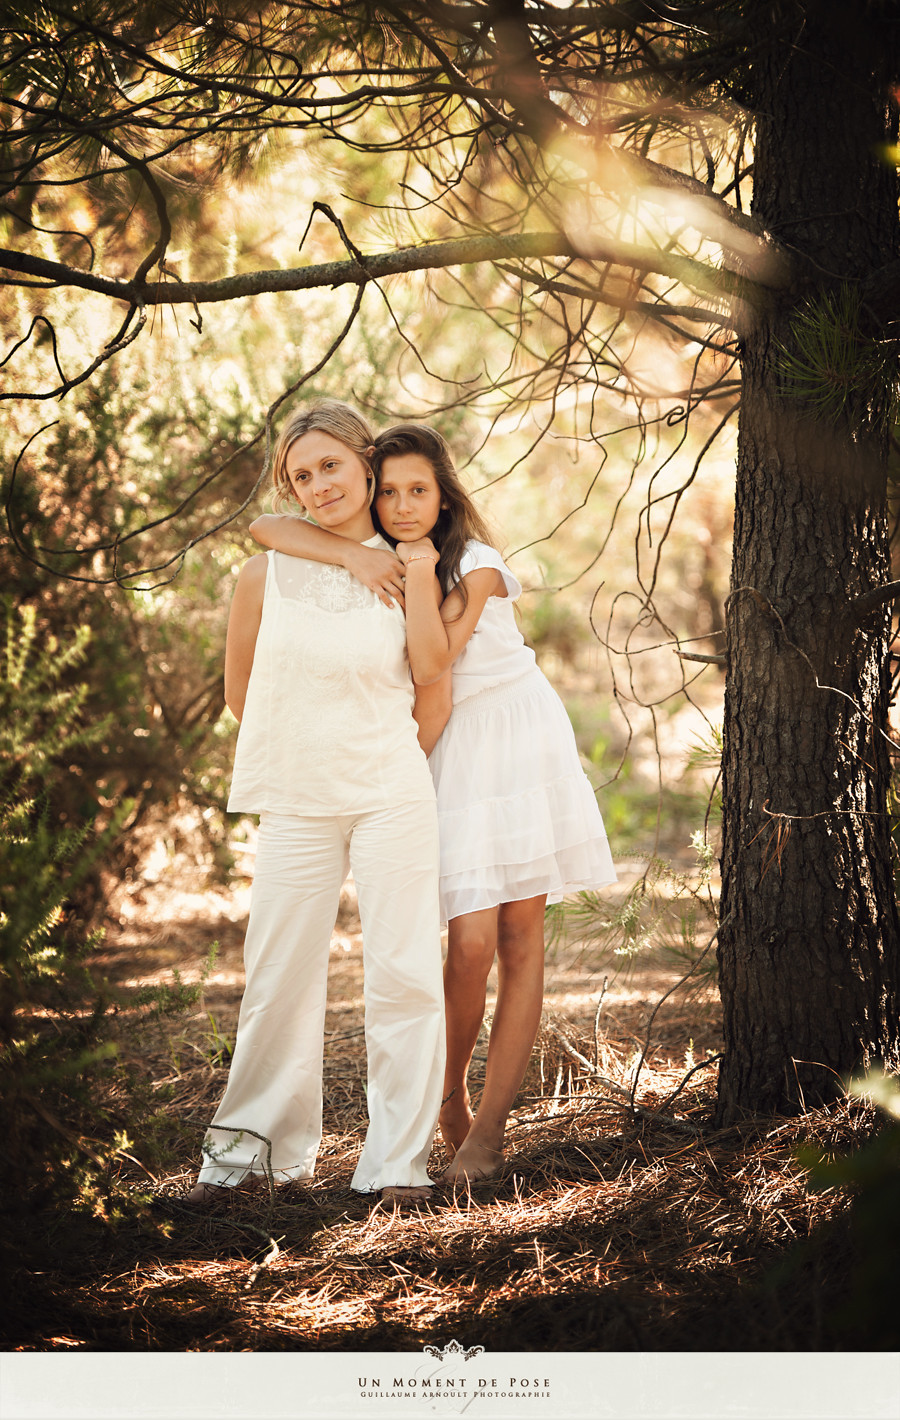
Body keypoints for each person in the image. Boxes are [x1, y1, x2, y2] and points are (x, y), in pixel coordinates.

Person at [251, 423, 617, 1185]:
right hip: (443, 746)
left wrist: (416, 569)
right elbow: (268, 524)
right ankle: (443, 1102)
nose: (403, 503)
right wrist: (359, 552)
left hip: (513, 738)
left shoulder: (476, 564)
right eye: (388, 492)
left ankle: (486, 1130)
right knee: (467, 942)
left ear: (445, 494)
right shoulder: (378, 560)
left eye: (419, 489)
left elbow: (437, 662)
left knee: (517, 938)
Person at [189, 401, 446, 1207]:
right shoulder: (264, 571)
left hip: (389, 791)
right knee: (276, 978)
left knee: (404, 974)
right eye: (301, 475)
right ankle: (247, 1159)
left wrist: (384, 756)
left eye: (330, 464)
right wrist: (312, 744)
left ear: (367, 463)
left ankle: (397, 1164)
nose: (318, 484)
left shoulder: (409, 564)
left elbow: (432, 686)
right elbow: (241, 693)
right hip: (297, 798)